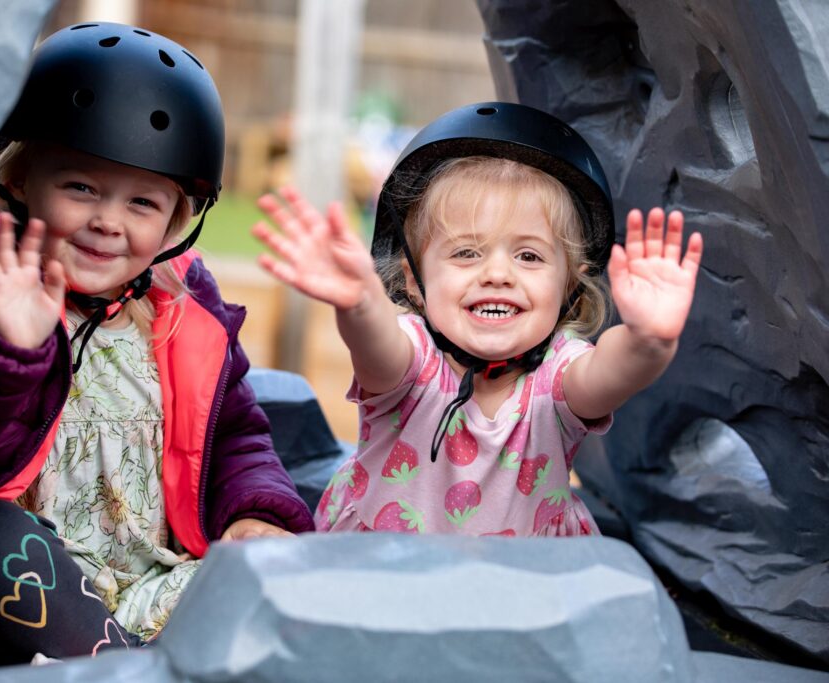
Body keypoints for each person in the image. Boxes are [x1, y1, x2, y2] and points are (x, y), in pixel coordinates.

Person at [0, 22, 313, 678]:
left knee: (279, 568)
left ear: (178, 218)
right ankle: (135, 670)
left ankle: (146, 661)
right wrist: (3, 341)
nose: (107, 220)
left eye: (142, 201)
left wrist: (259, 516)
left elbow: (237, 437)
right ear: (21, 177)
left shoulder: (182, 309)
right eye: (81, 187)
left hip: (145, 584)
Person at [252, 102, 702, 537]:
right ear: (414, 281)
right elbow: (377, 348)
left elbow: (611, 372)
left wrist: (649, 340)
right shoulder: (412, 360)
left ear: (568, 287)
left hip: (519, 589)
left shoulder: (559, 378)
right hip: (384, 578)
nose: (498, 274)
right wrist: (359, 302)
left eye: (529, 256)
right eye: (466, 253)